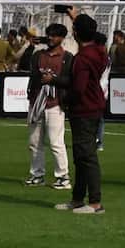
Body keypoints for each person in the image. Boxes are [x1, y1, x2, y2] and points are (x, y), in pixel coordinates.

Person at [55, 12, 107, 214]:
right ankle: (78, 199)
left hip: (84, 109)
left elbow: (78, 87)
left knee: (86, 157)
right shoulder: (98, 52)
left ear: (76, 33)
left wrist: (65, 100)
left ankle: (95, 202)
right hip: (92, 107)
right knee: (82, 156)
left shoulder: (83, 58)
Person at [25, 23, 73, 191]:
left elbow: (69, 81)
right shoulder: (38, 54)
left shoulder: (67, 57)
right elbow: (26, 67)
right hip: (37, 102)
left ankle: (63, 176)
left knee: (56, 142)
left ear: (62, 38)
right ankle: (37, 174)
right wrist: (30, 46)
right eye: (49, 35)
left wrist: (53, 80)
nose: (51, 38)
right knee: (34, 142)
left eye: (54, 35)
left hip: (55, 104)